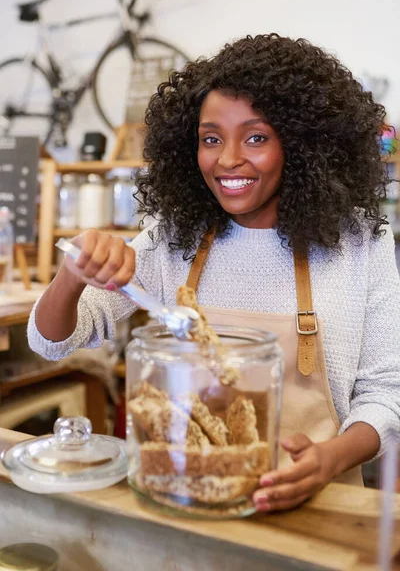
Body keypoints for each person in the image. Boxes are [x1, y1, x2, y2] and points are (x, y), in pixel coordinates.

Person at [28, 33, 400, 513]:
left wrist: (328, 461)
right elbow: (51, 342)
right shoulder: (172, 238)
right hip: (186, 497)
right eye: (210, 138)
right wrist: (72, 274)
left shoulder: (359, 244)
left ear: (304, 143)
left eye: (256, 137)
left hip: (321, 508)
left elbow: (388, 392)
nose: (227, 159)